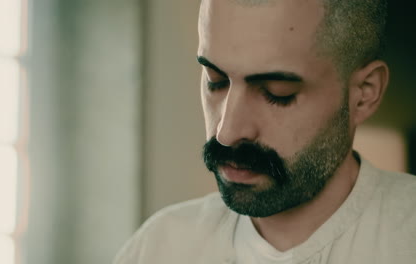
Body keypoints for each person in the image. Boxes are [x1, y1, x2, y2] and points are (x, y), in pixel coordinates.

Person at [113, 0, 416, 263]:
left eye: (277, 93)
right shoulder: (159, 248)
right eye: (215, 80)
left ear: (364, 93)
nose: (227, 132)